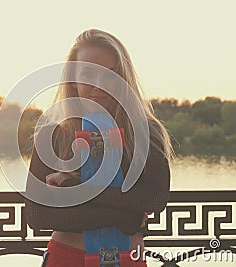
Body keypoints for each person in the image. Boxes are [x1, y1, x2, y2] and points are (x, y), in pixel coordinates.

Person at [24, 29, 173, 267]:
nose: (99, 85)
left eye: (111, 74)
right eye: (88, 74)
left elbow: (154, 199)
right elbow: (39, 215)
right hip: (67, 260)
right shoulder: (53, 136)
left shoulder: (145, 132)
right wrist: (127, 216)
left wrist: (72, 188)